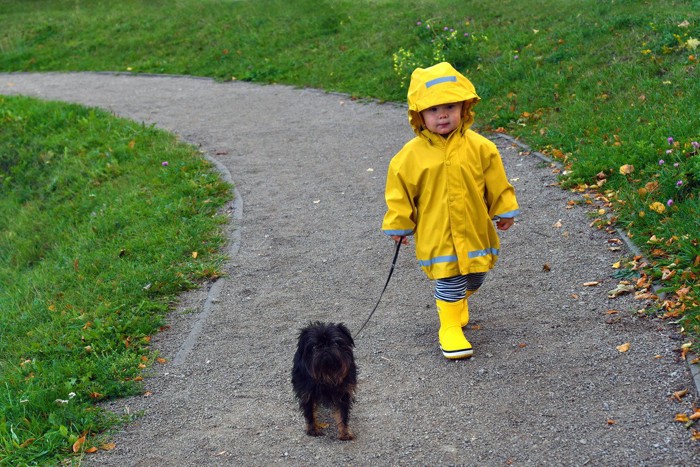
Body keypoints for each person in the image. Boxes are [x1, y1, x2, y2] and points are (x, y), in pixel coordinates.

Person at [382, 62, 519, 360]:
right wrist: (399, 224)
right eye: (432, 109)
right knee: (449, 277)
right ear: (419, 115)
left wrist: (504, 209)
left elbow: (497, 183)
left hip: (474, 228)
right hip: (437, 232)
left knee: (476, 276)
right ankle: (449, 328)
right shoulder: (408, 158)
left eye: (449, 106)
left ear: (464, 108)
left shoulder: (481, 148)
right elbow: (399, 194)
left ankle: (458, 303)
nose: (442, 114)